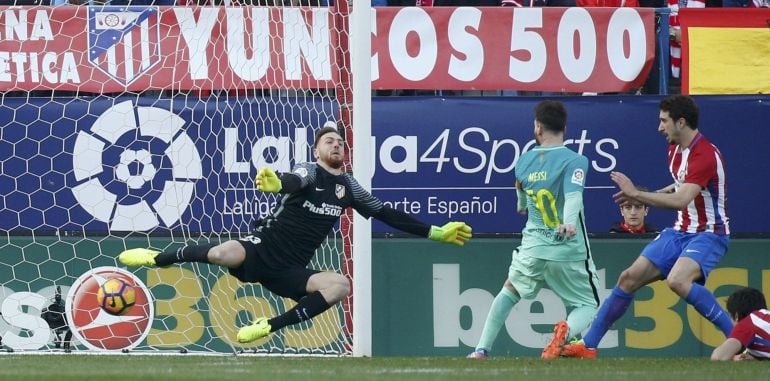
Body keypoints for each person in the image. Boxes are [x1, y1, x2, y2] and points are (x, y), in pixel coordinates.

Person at [119, 125, 472, 343]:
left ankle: (268, 326)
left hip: (291, 269)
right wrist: (277, 184)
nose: (336, 146)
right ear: (316, 149)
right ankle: (158, 258)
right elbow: (295, 180)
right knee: (224, 253)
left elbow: (383, 212)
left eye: (340, 143)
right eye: (329, 142)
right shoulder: (309, 170)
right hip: (261, 248)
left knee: (340, 286)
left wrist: (435, 232)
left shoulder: (348, 187)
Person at [562, 95, 731, 359]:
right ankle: (588, 345)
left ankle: (739, 340)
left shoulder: (705, 154)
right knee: (628, 278)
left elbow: (681, 199)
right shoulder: (675, 148)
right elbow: (681, 185)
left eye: (664, 121)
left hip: (708, 234)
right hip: (680, 232)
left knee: (677, 280)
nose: (659, 128)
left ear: (681, 122)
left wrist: (638, 194)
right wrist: (653, 192)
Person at [466, 100, 600, 360]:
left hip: (534, 247)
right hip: (567, 247)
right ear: (565, 128)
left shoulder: (523, 162)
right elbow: (574, 197)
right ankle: (565, 332)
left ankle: (481, 350)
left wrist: (521, 204)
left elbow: (521, 201)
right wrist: (569, 222)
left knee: (509, 291)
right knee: (589, 304)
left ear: (538, 127)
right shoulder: (576, 161)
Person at [711, 287, 770, 361]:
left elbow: (718, 357)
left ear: (736, 316)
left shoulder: (748, 322)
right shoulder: (763, 319)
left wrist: (733, 357)